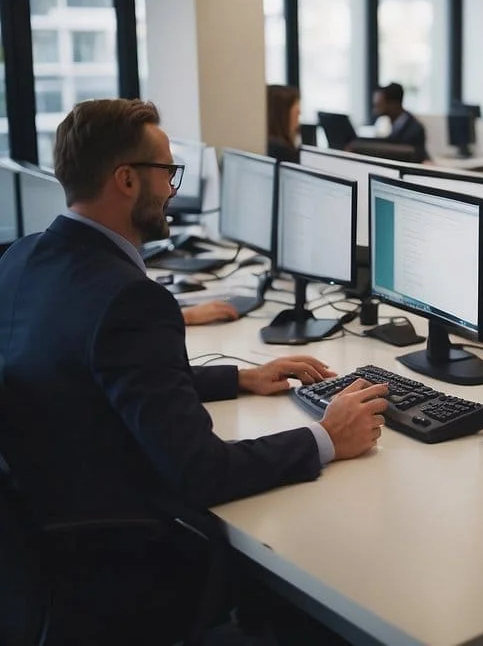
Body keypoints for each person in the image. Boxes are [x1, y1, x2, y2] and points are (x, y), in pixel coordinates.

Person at [0, 99, 388, 642]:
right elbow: (201, 472)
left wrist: (240, 377)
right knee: (321, 565)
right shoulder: (129, 299)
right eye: (167, 172)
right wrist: (324, 437)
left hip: (48, 542)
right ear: (127, 180)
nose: (173, 190)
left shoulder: (22, 257)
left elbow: (94, 372)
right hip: (129, 562)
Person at [372, 82, 429, 162]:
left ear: (393, 104)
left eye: (379, 104)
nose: (375, 107)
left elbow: (416, 156)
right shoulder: (389, 124)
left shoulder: (414, 129)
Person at [266, 84, 302, 163]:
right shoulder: (283, 153)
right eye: (296, 105)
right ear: (282, 112)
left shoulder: (266, 145)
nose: (300, 112)